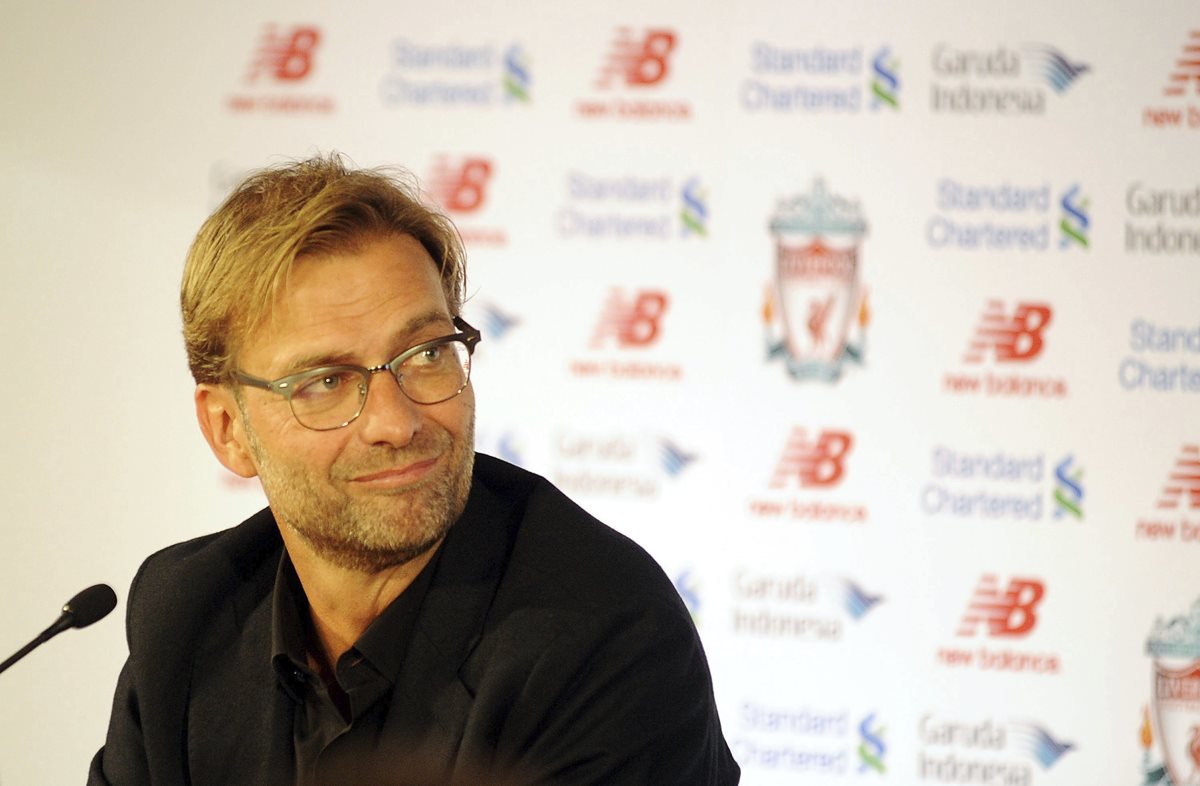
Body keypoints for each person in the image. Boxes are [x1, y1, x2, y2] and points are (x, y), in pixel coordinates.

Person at [88, 154, 740, 785]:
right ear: (228, 430)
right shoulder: (186, 614)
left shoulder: (602, 639)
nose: (396, 423)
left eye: (427, 353)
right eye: (326, 381)